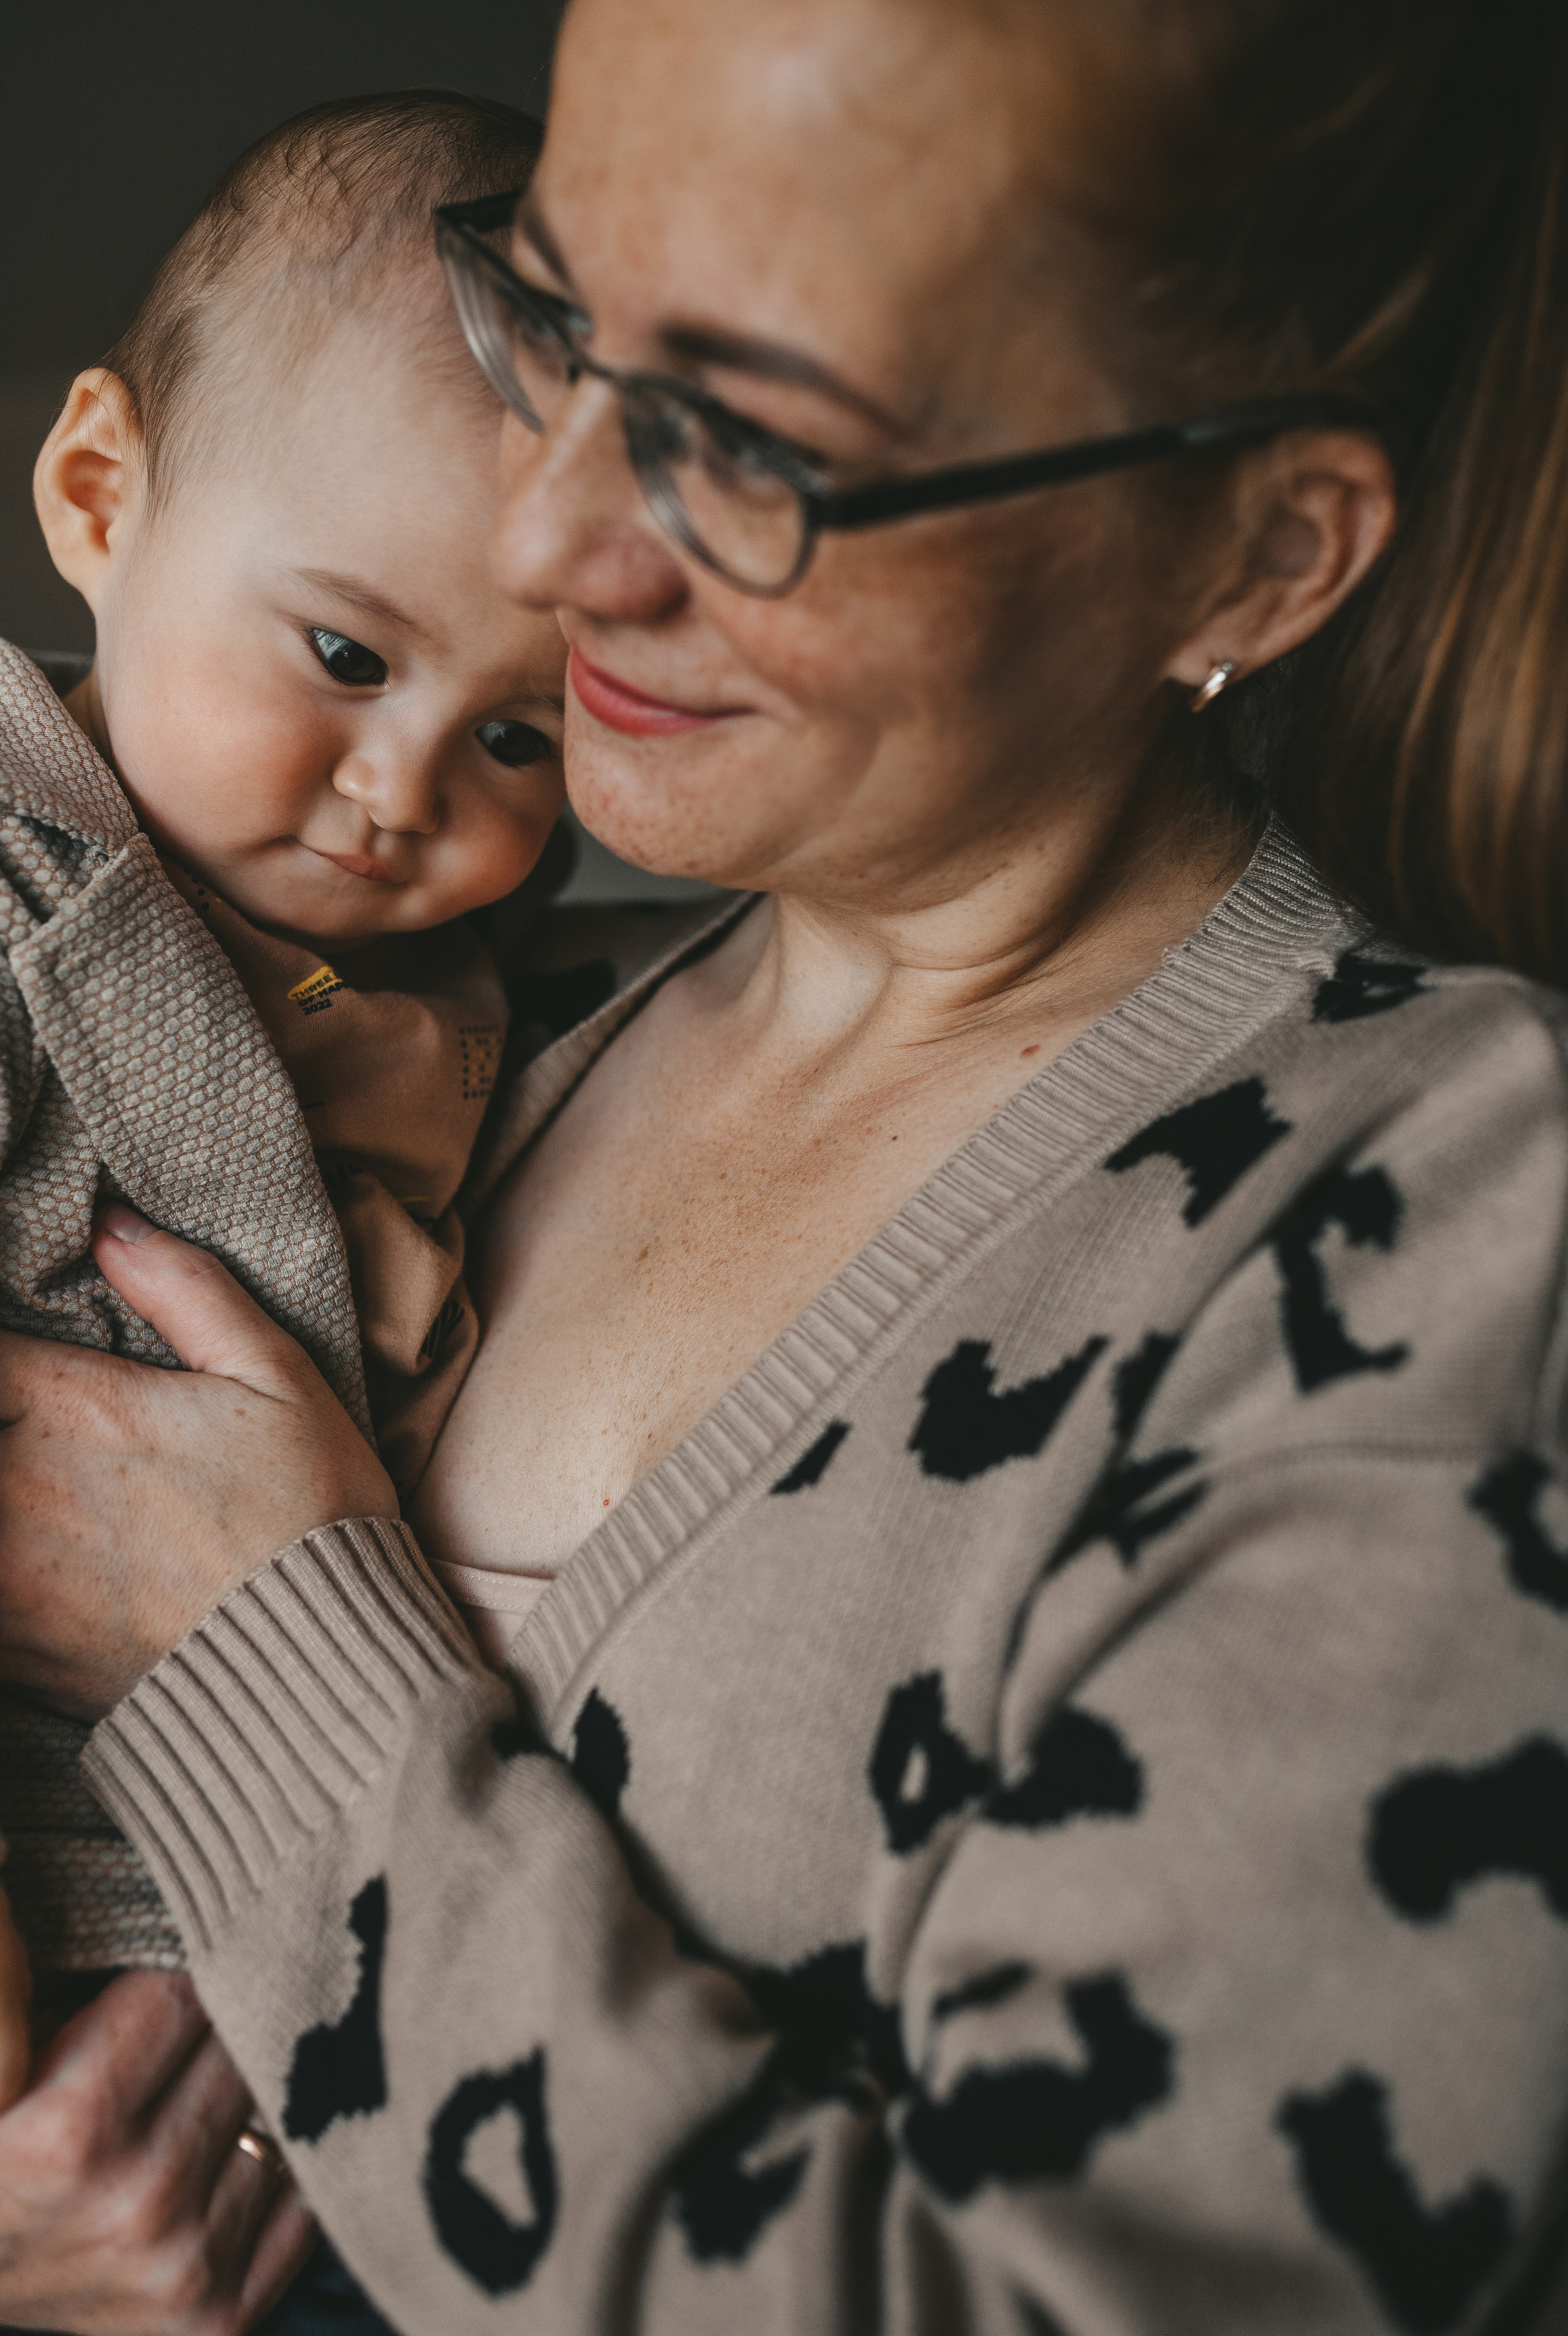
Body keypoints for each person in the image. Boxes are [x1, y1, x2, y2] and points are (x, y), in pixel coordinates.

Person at [3, 0, 1568, 2329]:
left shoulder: (1442, 1228)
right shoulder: (449, 1018)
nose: (548, 531)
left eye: (749, 441)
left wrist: (250, 1649)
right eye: (559, 320)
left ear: (1255, 559)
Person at [0, 87, 567, 2327]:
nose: (400, 790)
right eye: (345, 655)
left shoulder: (468, 1014)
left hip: (241, 1926)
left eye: (522, 739)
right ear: (98, 498)